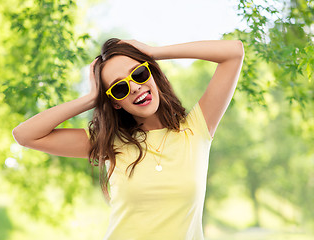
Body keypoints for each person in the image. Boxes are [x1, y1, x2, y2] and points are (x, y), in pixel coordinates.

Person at [12, 37, 244, 239]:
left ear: (151, 72)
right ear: (114, 102)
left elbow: (233, 52)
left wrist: (154, 53)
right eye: (119, 89)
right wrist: (91, 99)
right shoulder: (109, 143)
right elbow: (24, 135)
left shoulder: (196, 129)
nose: (134, 87)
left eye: (139, 74)